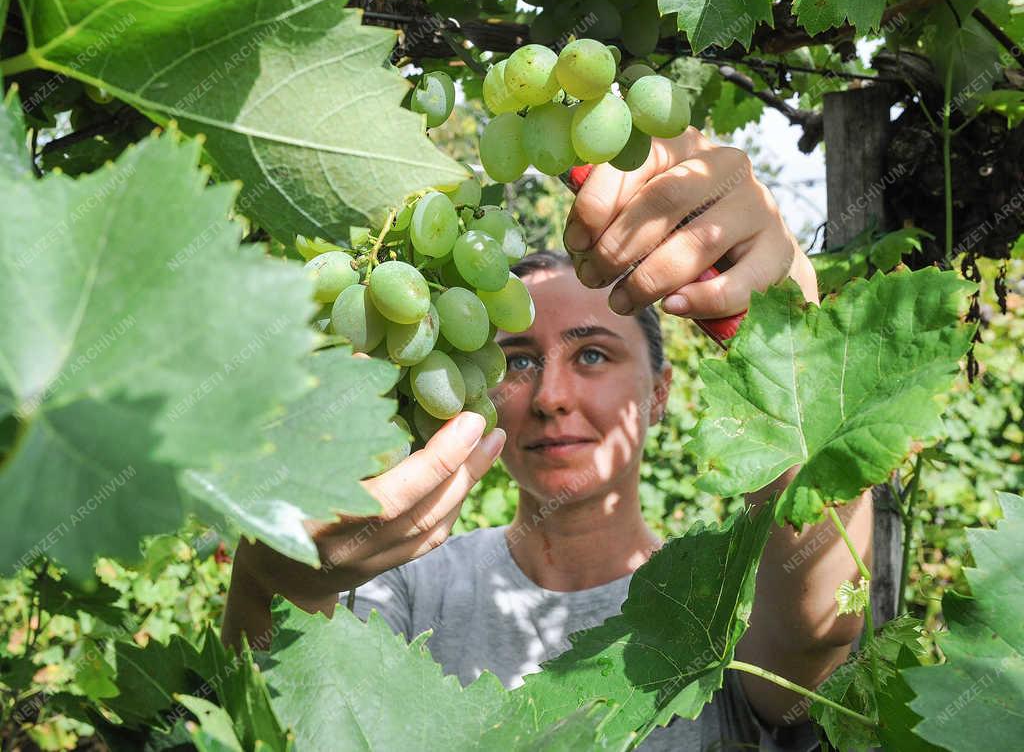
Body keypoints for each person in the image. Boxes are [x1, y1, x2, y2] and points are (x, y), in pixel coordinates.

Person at [223, 129, 873, 750]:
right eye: (519, 362)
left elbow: (815, 630)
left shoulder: (720, 597)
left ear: (659, 393)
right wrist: (269, 584)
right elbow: (278, 724)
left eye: (591, 355)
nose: (551, 396)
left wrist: (786, 343)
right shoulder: (408, 586)